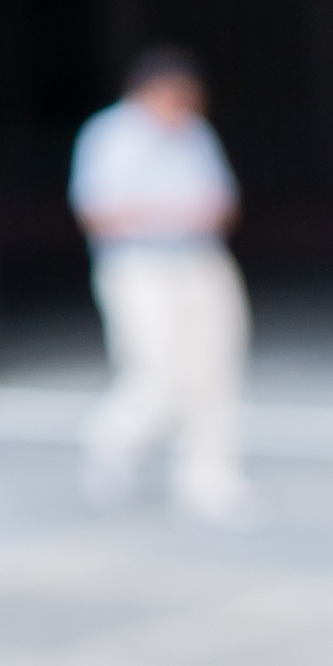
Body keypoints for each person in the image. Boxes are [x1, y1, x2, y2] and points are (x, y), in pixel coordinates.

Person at [70, 46, 251, 526]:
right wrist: (169, 213)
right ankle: (111, 443)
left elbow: (220, 201)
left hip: (199, 261)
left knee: (213, 374)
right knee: (157, 377)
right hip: (140, 269)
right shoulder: (111, 136)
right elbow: (101, 214)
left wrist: (167, 213)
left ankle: (208, 479)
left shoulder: (193, 133)